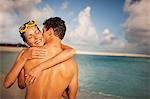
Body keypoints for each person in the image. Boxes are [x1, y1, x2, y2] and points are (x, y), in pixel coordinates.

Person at [4, 17, 78, 99]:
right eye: (30, 37)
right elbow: (71, 97)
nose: (37, 37)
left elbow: (19, 85)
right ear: (26, 43)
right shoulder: (73, 65)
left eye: (41, 32)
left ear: (49, 32)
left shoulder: (27, 54)